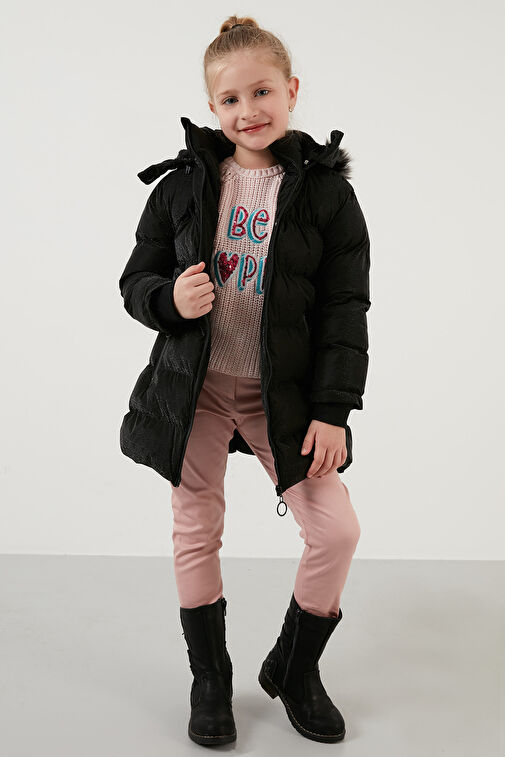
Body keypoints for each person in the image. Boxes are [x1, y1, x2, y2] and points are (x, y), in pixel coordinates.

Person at [118, 14, 371, 748]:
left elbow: (345, 309)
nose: (248, 110)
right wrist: (170, 300)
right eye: (230, 99)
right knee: (195, 527)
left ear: (291, 91)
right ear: (212, 108)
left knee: (336, 529)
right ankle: (210, 677)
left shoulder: (326, 198)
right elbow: (136, 281)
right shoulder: (181, 189)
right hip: (194, 390)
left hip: (279, 396)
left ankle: (295, 666)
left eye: (262, 91)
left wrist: (332, 409)